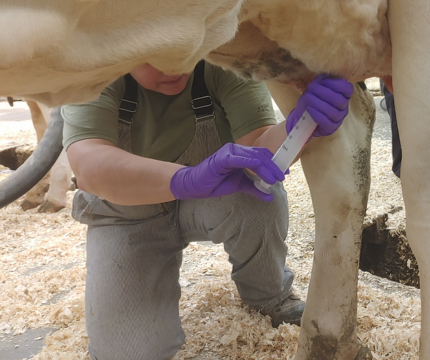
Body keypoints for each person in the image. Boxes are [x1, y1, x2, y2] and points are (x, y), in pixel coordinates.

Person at [62, 61, 353, 360]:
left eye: (186, 52)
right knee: (129, 352)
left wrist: (298, 127)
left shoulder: (220, 61)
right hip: (126, 216)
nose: (174, 67)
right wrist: (184, 179)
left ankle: (268, 295)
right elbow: (87, 164)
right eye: (155, 58)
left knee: (258, 195)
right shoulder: (96, 66)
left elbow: (259, 149)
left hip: (213, 197)